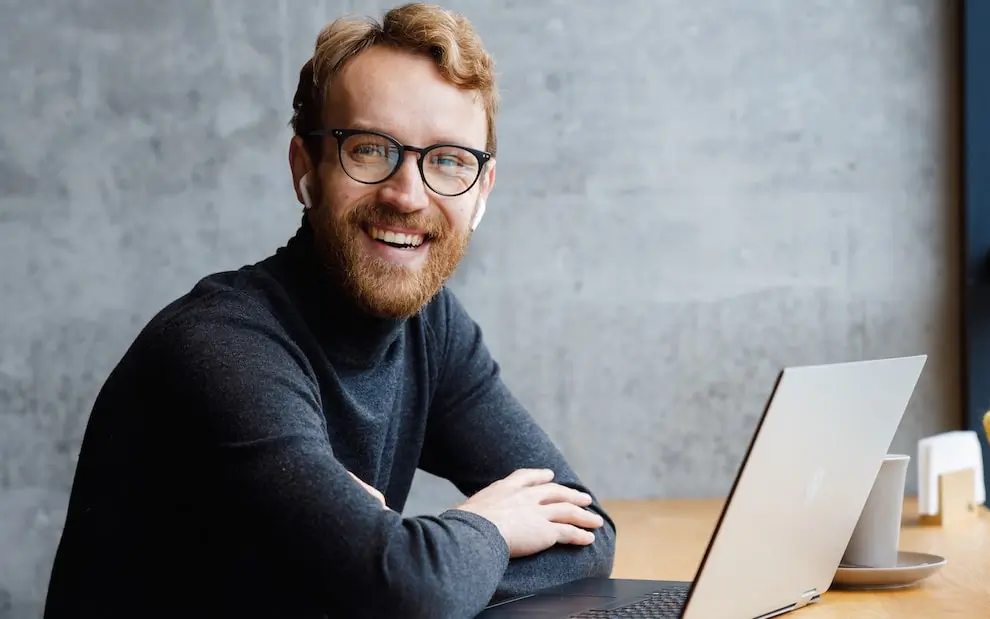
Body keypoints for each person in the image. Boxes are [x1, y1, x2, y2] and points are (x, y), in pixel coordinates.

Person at [43, 4, 616, 618]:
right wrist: (484, 532)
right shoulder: (218, 345)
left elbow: (588, 537)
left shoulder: (434, 329)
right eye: (369, 150)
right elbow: (405, 590)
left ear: (481, 193)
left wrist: (408, 563)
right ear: (304, 169)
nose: (407, 194)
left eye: (449, 160)